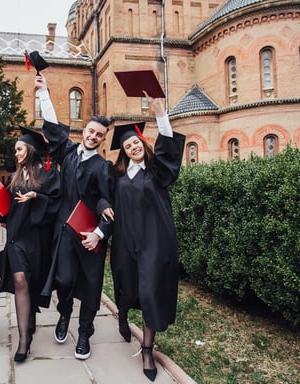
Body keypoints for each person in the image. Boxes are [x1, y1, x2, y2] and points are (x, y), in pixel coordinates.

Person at [35, 74, 115, 360]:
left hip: (91, 236)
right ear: (85, 130)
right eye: (91, 131)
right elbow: (55, 130)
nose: (93, 136)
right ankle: (64, 315)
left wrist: (100, 233)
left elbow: (109, 206)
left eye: (99, 135)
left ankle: (84, 333)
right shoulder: (68, 153)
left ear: (103, 139)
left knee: (91, 288)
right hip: (65, 232)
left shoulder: (103, 167)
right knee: (65, 281)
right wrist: (44, 93)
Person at [108, 92, 185, 381]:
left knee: (151, 293)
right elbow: (101, 198)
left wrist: (160, 114)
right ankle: (124, 317)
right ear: (124, 151)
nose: (132, 147)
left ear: (143, 144)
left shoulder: (157, 172)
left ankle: (147, 349)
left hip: (154, 243)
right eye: (128, 145)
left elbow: (169, 150)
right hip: (125, 243)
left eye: (136, 142)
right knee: (126, 286)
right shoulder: (116, 176)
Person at [0, 127, 61, 363]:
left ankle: (30, 320)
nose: (16, 153)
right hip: (17, 237)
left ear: (29, 150)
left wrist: (37, 197)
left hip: (38, 239)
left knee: (31, 282)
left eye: (19, 149)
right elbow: (9, 208)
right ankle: (23, 341)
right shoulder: (16, 176)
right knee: (19, 280)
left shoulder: (49, 174)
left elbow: (58, 204)